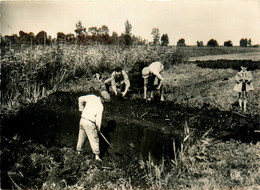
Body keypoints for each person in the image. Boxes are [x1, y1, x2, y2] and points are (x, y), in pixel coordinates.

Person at [76, 91, 111, 161]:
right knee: (95, 139)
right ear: (103, 99)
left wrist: (81, 109)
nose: (104, 103)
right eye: (105, 101)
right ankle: (97, 157)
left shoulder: (92, 97)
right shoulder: (100, 106)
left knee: (81, 136)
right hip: (90, 123)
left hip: (82, 120)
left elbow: (80, 99)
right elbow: (98, 120)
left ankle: (78, 152)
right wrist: (98, 128)